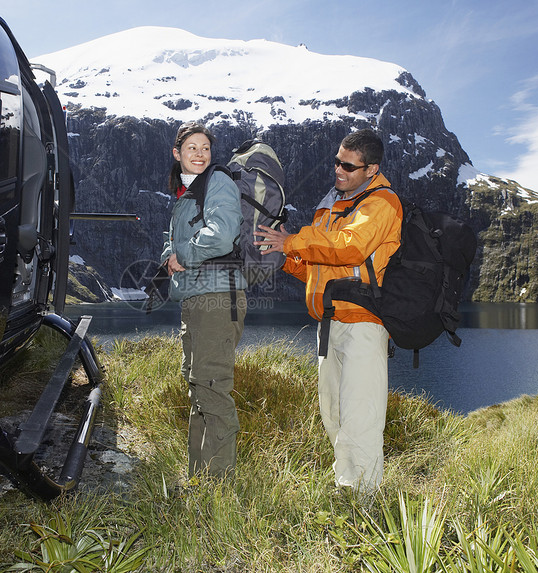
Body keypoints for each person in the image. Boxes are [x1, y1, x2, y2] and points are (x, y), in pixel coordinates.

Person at [253, 128, 402, 493]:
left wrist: (295, 240)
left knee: (360, 420)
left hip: (364, 323)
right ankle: (346, 489)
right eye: (337, 161)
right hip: (330, 322)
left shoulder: (382, 203)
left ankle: (365, 504)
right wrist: (287, 255)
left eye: (349, 166)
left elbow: (349, 249)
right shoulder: (332, 206)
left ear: (371, 169)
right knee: (333, 417)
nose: (339, 170)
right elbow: (320, 267)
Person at [160, 121, 247, 480]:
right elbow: (178, 241)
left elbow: (222, 235)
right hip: (196, 297)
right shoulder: (185, 194)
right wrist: (170, 254)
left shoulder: (218, 182)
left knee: (211, 387)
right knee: (197, 384)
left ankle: (219, 486)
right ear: (177, 154)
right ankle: (199, 476)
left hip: (217, 296)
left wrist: (180, 253)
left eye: (205, 148)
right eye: (192, 148)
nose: (200, 154)